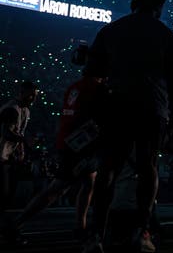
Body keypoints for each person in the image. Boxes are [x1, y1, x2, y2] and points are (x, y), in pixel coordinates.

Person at [82, 0, 173, 253]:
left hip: (116, 105)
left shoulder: (110, 30)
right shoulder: (166, 35)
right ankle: (142, 232)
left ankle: (95, 236)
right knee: (147, 167)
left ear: (133, 4)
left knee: (107, 171)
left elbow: (92, 74)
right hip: (152, 107)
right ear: (159, 7)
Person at [5, 46, 106, 244]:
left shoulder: (75, 87)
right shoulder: (98, 89)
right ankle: (15, 224)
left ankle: (80, 225)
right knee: (57, 189)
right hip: (80, 147)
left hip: (69, 142)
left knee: (89, 182)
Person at [0, 81, 39, 243]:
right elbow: (7, 132)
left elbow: (18, 132)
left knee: (6, 196)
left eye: (35, 95)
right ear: (22, 93)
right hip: (1, 157)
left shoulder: (25, 110)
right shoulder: (12, 109)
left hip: (7, 157)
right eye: (31, 94)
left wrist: (20, 151)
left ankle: (7, 231)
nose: (33, 98)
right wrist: (26, 141)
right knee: (3, 195)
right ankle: (8, 232)